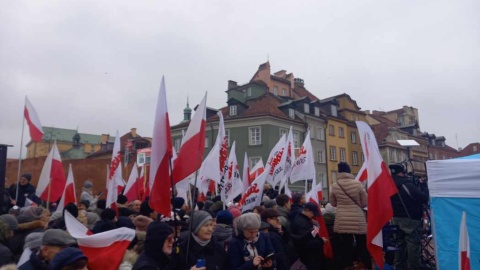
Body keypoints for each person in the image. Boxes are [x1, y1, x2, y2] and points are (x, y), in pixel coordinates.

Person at [329, 162, 371, 270]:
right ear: (349, 171)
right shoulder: (357, 184)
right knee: (362, 245)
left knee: (346, 246)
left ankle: (348, 266)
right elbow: (365, 202)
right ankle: (367, 266)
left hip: (342, 218)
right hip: (358, 218)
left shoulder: (334, 186)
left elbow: (333, 203)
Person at [389, 164, 429, 270]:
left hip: (395, 218)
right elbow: (422, 197)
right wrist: (424, 186)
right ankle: (413, 267)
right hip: (410, 218)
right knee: (413, 244)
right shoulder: (405, 184)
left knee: (399, 244)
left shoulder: (388, 184)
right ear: (402, 172)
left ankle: (399, 266)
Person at [291, 202, 328, 270]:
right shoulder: (301, 223)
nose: (313, 215)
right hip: (309, 257)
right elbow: (306, 242)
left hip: (310, 256)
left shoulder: (303, 219)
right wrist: (321, 241)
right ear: (307, 210)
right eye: (313, 213)